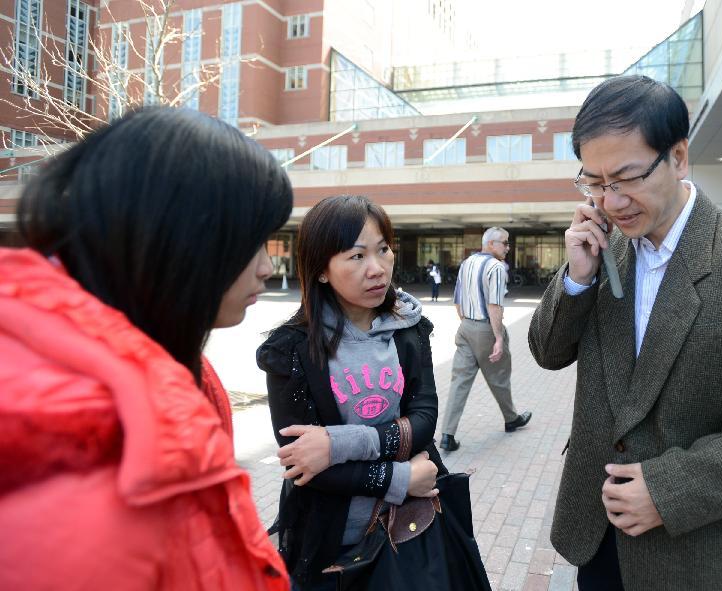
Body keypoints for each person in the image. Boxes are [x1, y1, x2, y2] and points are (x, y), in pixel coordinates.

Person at [528, 75, 722, 590]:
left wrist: (671, 489)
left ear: (678, 157)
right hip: (596, 535)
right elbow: (547, 352)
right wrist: (577, 278)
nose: (611, 201)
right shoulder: (603, 248)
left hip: (700, 548)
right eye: (595, 182)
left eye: (627, 178)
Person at [0, 107, 292, 590]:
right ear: (183, 237)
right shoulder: (77, 448)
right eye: (252, 241)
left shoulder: (165, 368)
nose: (266, 266)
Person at [256, 195, 446, 589]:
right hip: (328, 541)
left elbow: (424, 418)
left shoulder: (410, 329)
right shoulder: (291, 349)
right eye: (356, 257)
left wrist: (335, 445)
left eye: (383, 250)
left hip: (407, 529)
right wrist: (400, 476)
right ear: (322, 269)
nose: (377, 269)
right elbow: (304, 465)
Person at [439, 227, 532, 452]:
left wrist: (466, 324)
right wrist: (497, 337)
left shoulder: (466, 263)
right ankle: (511, 419)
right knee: (499, 377)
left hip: (466, 327)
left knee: (459, 382)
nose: (508, 248)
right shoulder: (496, 267)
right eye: (505, 243)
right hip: (486, 329)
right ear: (491, 244)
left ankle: (447, 435)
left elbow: (457, 300)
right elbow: (494, 305)